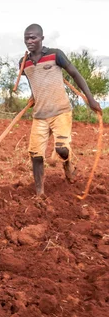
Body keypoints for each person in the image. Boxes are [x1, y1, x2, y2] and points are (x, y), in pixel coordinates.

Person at [20, 24, 102, 197]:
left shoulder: (55, 55)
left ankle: (67, 164)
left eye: (33, 37)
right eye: (26, 38)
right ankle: (40, 193)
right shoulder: (23, 63)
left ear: (42, 38)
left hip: (61, 111)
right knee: (35, 154)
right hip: (40, 115)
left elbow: (75, 74)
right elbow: (33, 81)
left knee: (61, 149)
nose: (29, 41)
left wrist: (91, 99)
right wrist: (33, 96)